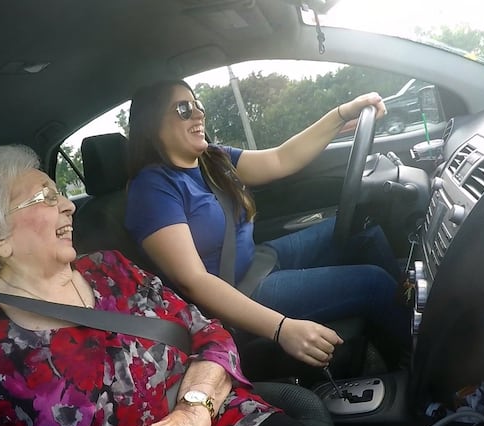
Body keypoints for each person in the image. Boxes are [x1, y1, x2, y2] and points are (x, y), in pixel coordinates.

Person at [0, 144, 327, 426]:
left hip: (230, 424)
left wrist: (191, 417)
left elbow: (211, 336)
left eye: (61, 193)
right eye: (46, 197)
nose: (68, 206)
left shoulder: (110, 268)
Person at [124, 79, 410, 368]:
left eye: (197, 104)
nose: (199, 114)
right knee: (373, 283)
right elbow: (194, 281)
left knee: (364, 228)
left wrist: (342, 114)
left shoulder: (213, 159)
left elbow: (280, 158)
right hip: (237, 294)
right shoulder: (151, 190)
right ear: (152, 124)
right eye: (183, 109)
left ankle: (403, 324)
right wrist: (282, 328)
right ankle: (421, 368)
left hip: (262, 258)